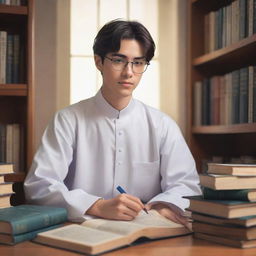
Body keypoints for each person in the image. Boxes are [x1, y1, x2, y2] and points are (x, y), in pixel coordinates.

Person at [24, 19, 201, 226]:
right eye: (118, 60)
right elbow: (39, 185)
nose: (129, 72)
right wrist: (96, 206)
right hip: (81, 229)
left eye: (138, 62)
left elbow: (187, 185)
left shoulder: (163, 125)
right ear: (98, 61)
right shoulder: (67, 120)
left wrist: (164, 204)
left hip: (146, 231)